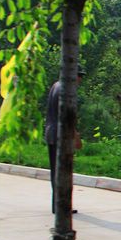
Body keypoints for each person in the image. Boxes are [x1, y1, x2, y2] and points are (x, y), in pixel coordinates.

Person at [44, 66, 85, 214]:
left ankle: (58, 205)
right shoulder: (66, 89)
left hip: (51, 133)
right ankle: (62, 206)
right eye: (80, 76)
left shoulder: (56, 85)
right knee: (63, 172)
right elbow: (67, 117)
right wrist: (76, 136)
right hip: (60, 135)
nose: (81, 80)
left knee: (56, 171)